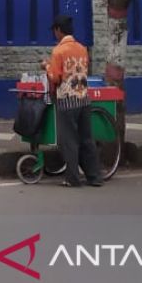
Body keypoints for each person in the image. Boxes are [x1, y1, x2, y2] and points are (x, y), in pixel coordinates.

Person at [43, 15, 102, 188]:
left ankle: (73, 178)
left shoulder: (58, 51)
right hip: (84, 98)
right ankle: (94, 177)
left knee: (69, 141)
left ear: (59, 30)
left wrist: (46, 67)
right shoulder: (82, 48)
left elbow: (55, 77)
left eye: (55, 31)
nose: (54, 34)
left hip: (67, 101)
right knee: (87, 139)